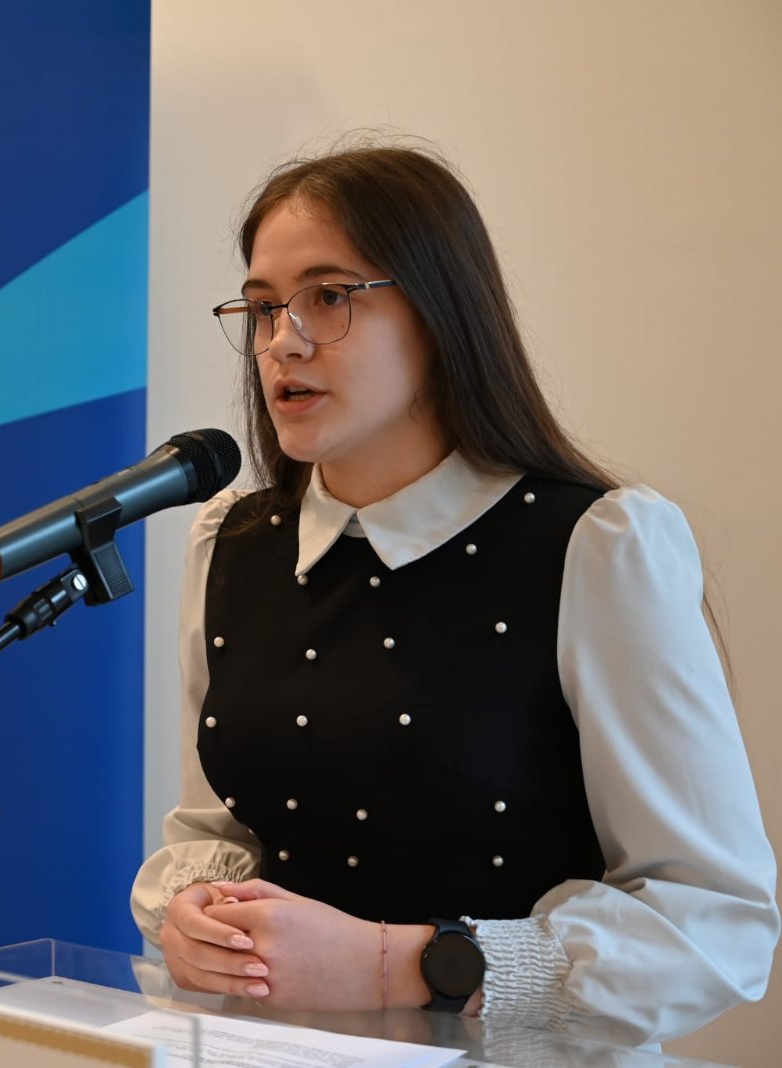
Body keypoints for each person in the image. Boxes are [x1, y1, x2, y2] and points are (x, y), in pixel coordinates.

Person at [129, 142, 779, 1047]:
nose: (283, 341)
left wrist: (398, 966)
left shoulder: (596, 544)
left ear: (441, 314)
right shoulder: (231, 542)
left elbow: (714, 925)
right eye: (265, 305)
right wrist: (196, 915)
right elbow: (217, 827)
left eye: (329, 296)